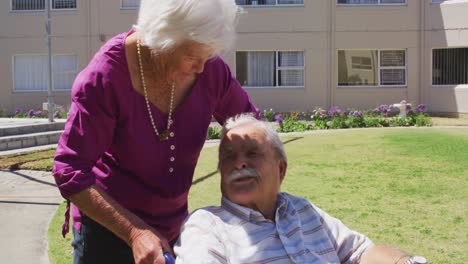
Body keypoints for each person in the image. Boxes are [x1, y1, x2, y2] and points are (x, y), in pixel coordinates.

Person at [52, 0, 257, 263]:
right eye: (192, 57)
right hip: (107, 231)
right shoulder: (105, 77)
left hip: (175, 229)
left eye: (207, 57)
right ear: (160, 41)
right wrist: (135, 232)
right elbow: (69, 169)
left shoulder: (211, 72)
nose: (201, 69)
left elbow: (249, 125)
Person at [174, 114, 428, 264]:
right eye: (228, 157)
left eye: (252, 153)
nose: (239, 163)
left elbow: (360, 251)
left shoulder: (302, 209)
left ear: (281, 169)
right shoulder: (206, 225)